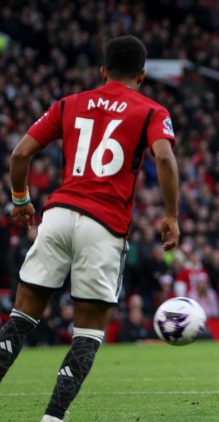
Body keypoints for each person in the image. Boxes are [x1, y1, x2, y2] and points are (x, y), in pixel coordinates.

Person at [0, 35, 179, 421]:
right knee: (88, 333)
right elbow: (164, 157)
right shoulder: (151, 110)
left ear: (103, 71)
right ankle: (52, 418)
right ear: (142, 75)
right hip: (104, 226)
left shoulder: (70, 103)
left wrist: (20, 199)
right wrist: (171, 215)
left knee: (20, 319)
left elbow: (20, 153)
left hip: (58, 215)